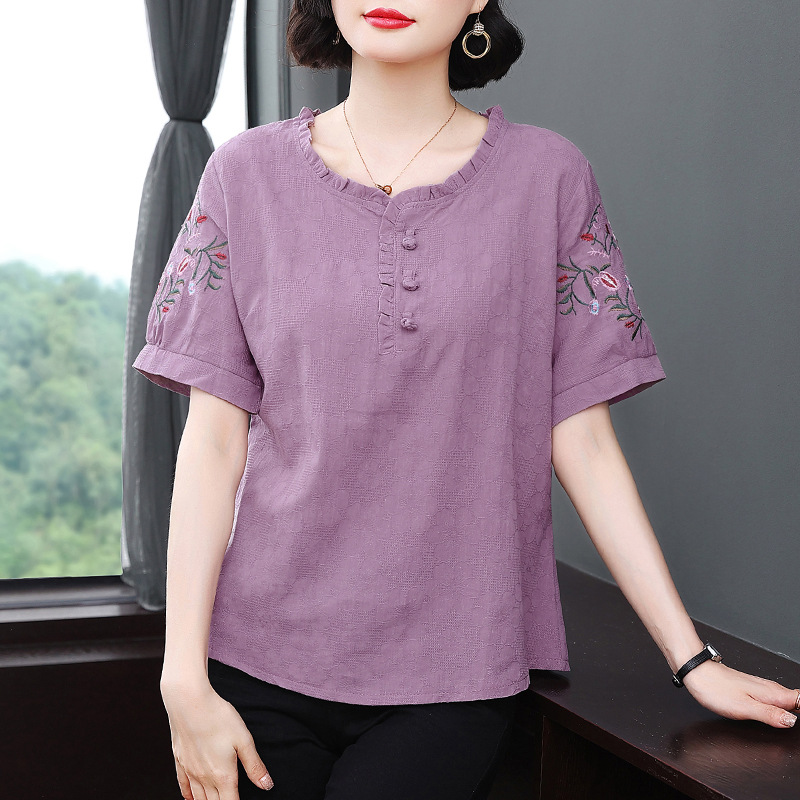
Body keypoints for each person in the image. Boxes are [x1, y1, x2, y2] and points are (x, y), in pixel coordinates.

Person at [132, 2, 800, 799]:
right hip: (255, 659)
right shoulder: (244, 174)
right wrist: (183, 681)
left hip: (454, 664)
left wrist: (692, 659)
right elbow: (213, 442)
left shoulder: (548, 177)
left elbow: (583, 440)